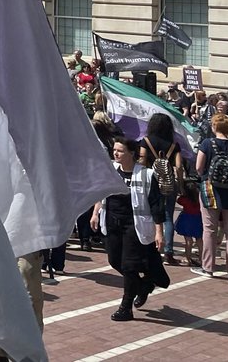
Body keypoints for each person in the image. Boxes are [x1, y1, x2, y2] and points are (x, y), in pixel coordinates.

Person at [91, 136, 169, 320]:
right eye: (115, 150)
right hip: (112, 223)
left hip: (134, 226)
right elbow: (101, 193)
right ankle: (144, 285)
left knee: (129, 266)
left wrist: (159, 232)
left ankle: (125, 307)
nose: (115, 153)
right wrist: (96, 212)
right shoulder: (111, 170)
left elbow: (157, 206)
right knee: (114, 260)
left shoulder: (146, 174)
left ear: (131, 153)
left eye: (120, 150)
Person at [194, 112, 228, 279]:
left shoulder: (207, 143)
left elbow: (199, 167)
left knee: (209, 229)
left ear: (214, 127)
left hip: (210, 189)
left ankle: (208, 267)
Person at [142, 112, 184, 264]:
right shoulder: (174, 145)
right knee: (168, 217)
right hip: (168, 183)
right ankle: (169, 252)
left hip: (150, 181)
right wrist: (180, 184)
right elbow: (179, 166)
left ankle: (150, 248)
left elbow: (141, 162)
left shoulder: (145, 141)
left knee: (149, 213)